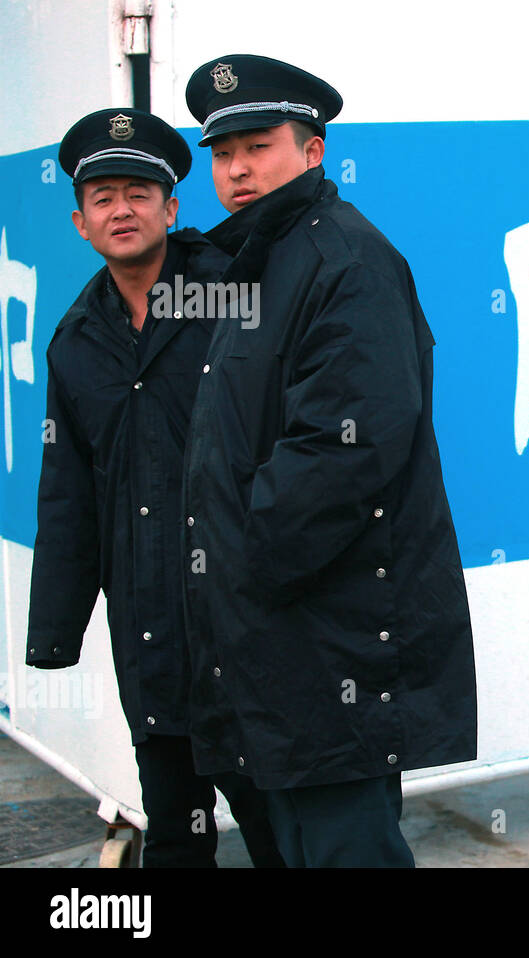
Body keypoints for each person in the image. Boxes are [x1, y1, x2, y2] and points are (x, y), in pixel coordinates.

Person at [182, 55, 478, 867]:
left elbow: (342, 451)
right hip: (280, 636)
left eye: (258, 144)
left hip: (332, 635)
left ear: (313, 152)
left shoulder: (343, 259)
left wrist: (240, 567)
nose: (237, 169)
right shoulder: (260, 260)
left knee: (348, 849)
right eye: (222, 152)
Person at [26, 108, 283, 867]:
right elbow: (68, 494)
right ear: (81, 223)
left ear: (171, 209)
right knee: (175, 827)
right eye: (103, 197)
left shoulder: (232, 296)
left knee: (278, 825)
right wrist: (54, 633)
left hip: (244, 619)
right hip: (148, 630)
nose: (122, 210)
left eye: (139, 193)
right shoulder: (76, 341)